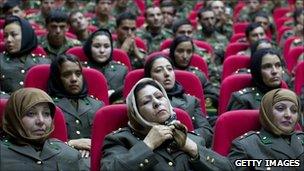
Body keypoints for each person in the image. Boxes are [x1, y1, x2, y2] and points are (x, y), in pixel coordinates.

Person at [101, 78, 233, 171]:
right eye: (146, 101)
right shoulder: (121, 139)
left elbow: (228, 168)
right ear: (136, 112)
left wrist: (193, 149)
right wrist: (147, 145)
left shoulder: (192, 139)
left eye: (159, 96)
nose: (156, 103)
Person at [0, 88, 88, 171]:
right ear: (14, 117)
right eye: (31, 113)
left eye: (46, 114)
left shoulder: (70, 154)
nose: (41, 121)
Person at [144, 54, 213, 147]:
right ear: (149, 77)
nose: (166, 74)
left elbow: (207, 132)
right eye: (159, 70)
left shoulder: (191, 101)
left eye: (169, 69)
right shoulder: (143, 103)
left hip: (189, 148)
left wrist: (181, 138)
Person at [228, 88, 304, 171]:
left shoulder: (301, 138)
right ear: (267, 112)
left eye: (294, 110)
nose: (288, 115)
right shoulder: (246, 146)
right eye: (280, 108)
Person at [47, 54, 104, 160]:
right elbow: (41, 141)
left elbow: (109, 139)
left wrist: (92, 146)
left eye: (78, 74)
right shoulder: (48, 106)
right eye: (66, 74)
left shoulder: (98, 105)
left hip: (95, 158)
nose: (74, 79)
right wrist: (71, 143)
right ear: (57, 78)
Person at [0, 15, 51, 94]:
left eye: (14, 35)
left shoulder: (45, 62)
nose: (8, 40)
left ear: (26, 35)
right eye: (5, 36)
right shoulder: (1, 60)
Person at [169, 35, 220, 111]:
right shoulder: (165, 74)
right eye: (180, 51)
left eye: (189, 52)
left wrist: (199, 103)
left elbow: (214, 95)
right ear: (173, 52)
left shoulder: (197, 75)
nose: (185, 56)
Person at [83, 28, 128, 103]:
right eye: (97, 46)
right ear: (89, 47)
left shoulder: (122, 70)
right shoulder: (82, 70)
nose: (102, 51)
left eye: (106, 46)